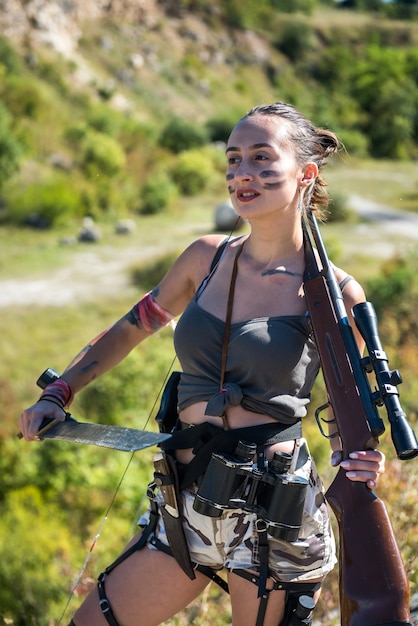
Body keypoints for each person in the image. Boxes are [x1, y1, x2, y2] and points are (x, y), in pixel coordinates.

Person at [19, 102, 386, 626]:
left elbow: (358, 403)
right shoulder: (204, 259)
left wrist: (364, 457)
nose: (242, 174)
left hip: (271, 510)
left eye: (262, 159)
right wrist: (60, 392)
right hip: (183, 497)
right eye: (234, 160)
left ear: (306, 174)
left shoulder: (334, 293)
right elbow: (130, 328)